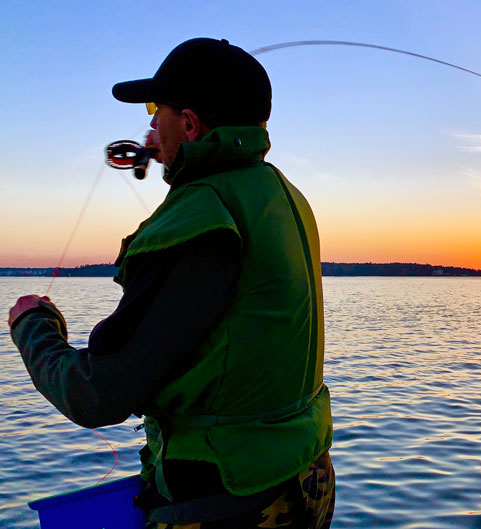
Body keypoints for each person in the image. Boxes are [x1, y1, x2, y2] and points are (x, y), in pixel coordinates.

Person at [8, 37, 334, 529]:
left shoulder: (203, 215)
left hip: (230, 503)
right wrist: (177, 161)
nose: (149, 123)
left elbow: (98, 394)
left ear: (190, 123)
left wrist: (34, 325)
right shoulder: (283, 195)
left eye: (156, 109)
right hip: (306, 481)